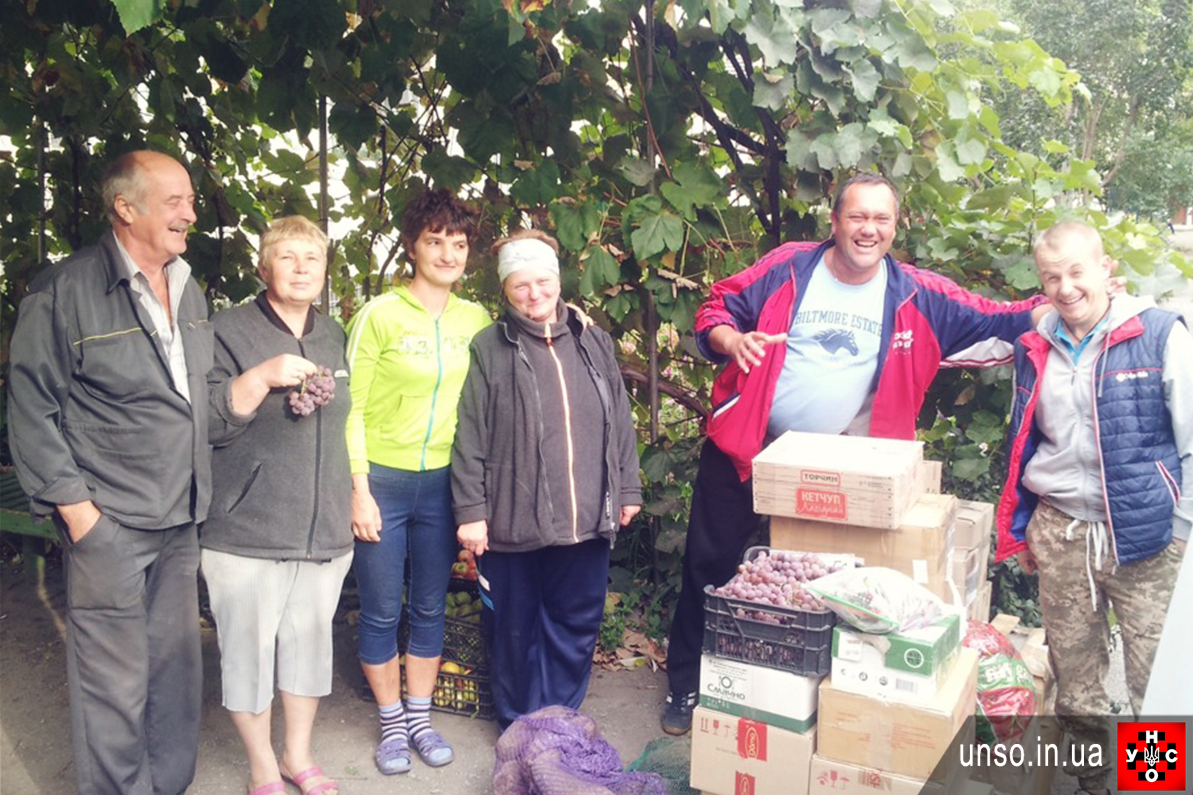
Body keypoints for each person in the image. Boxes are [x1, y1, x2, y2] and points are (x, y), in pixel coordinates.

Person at [661, 172, 1052, 735]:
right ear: (835, 221)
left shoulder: (917, 293)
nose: (869, 229)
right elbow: (716, 306)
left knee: (818, 585)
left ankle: (793, 699)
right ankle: (686, 685)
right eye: (858, 216)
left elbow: (1002, 318)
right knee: (710, 566)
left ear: (896, 226)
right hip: (748, 448)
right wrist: (734, 341)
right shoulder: (790, 267)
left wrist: (1068, 299)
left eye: (881, 218)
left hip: (836, 467)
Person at [7, 150, 211, 794]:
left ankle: (167, 786)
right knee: (113, 683)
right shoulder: (64, 291)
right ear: (125, 207)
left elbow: (196, 397)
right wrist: (78, 514)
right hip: (110, 521)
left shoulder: (189, 287)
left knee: (175, 673)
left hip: (181, 514)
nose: (190, 213)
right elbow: (31, 409)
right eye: (175, 200)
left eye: (191, 200)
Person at [994, 221, 1191, 795]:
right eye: (1051, 277)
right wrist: (1026, 528)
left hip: (1148, 536)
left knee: (1152, 678)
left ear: (1106, 269)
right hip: (1061, 533)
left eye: (1077, 272)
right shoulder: (1035, 346)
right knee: (1075, 676)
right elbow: (1027, 440)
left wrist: (1182, 529)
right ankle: (1092, 783)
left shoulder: (1159, 335)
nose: (1066, 288)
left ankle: (1151, 784)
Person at [451, 230, 643, 729]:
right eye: (520, 285)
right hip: (512, 519)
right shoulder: (490, 347)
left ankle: (558, 720)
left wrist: (627, 488)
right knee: (513, 628)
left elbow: (620, 419)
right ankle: (519, 725)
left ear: (558, 281)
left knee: (575, 622)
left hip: (586, 517)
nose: (534, 294)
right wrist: (471, 512)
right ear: (505, 290)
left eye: (542, 282)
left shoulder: (592, 340)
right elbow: (470, 433)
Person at [203, 216, 353, 795]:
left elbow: (349, 423)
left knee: (310, 647)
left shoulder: (333, 333)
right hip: (246, 529)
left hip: (322, 530)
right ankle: (262, 765)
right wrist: (262, 376)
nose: (301, 268)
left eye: (312, 258)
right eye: (287, 257)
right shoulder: (226, 330)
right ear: (264, 267)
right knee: (247, 652)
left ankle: (297, 755)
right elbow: (207, 423)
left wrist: (353, 496)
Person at [345, 189, 491, 774]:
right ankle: (390, 726)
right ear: (412, 246)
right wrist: (358, 490)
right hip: (381, 479)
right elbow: (350, 408)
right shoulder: (378, 315)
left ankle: (421, 719)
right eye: (435, 241)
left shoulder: (475, 320)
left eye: (458, 243)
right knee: (382, 610)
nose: (448, 254)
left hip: (443, 484)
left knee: (430, 607)